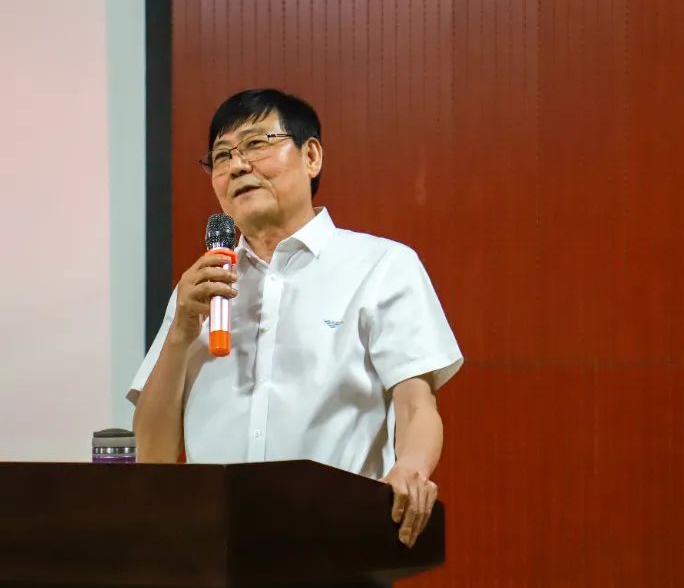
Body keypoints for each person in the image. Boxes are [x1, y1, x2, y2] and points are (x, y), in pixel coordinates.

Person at [128, 88, 461, 549]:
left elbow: (415, 404)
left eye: (256, 145)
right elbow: (153, 456)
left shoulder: (381, 266)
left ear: (311, 156)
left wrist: (412, 467)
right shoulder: (201, 289)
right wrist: (182, 331)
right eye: (221, 156)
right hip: (214, 553)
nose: (237, 166)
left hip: (336, 547)